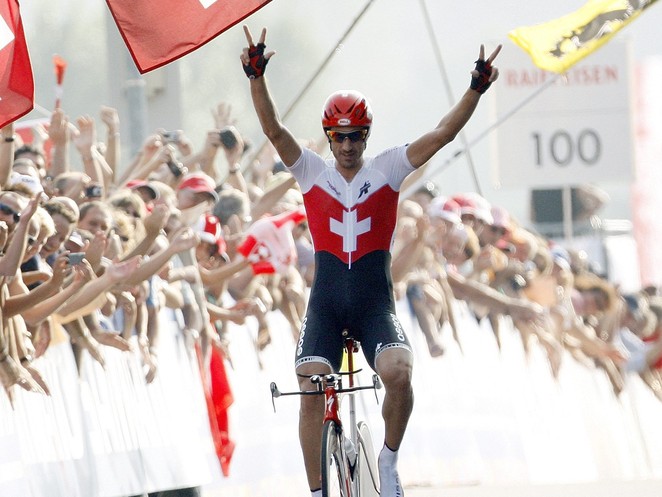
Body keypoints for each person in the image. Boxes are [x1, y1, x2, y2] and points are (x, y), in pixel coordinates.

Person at [240, 25, 501, 497]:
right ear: (328, 137)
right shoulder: (310, 171)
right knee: (309, 389)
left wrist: (475, 88)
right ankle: (317, 491)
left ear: (366, 135)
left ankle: (389, 460)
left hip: (373, 305)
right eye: (339, 137)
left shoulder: (388, 168)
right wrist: (257, 78)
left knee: (399, 372)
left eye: (356, 136)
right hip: (325, 306)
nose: (347, 146)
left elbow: (443, 133)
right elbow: (274, 130)